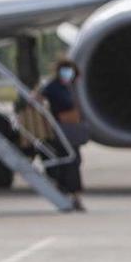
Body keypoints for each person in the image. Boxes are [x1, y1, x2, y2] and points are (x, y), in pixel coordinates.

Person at [38, 57, 89, 211]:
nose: (68, 75)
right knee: (70, 161)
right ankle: (72, 195)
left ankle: (69, 194)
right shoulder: (54, 87)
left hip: (70, 130)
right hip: (61, 129)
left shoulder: (69, 87)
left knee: (72, 160)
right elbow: (37, 98)